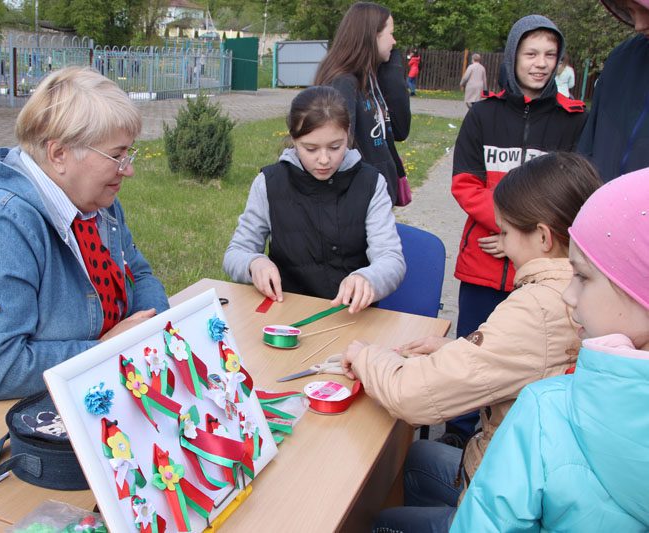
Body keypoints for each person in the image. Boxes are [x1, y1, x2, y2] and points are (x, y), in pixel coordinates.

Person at [0, 67, 169, 443]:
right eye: (117, 155)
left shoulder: (97, 204)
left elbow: (140, 274)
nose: (128, 169)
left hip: (53, 412)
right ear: (59, 154)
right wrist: (107, 351)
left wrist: (155, 331)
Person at [341, 152, 601, 532]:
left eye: (506, 233)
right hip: (524, 473)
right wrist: (454, 350)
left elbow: (414, 395)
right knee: (420, 456)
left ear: (543, 237)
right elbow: (527, 361)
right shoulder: (577, 289)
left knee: (378, 523)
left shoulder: (540, 306)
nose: (503, 245)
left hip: (512, 495)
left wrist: (366, 356)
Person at [452, 166, 649, 532]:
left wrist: (369, 358)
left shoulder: (545, 411)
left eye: (583, 276)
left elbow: (419, 392)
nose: (568, 294)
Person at [446, 15, 588, 446]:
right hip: (484, 263)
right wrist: (511, 234)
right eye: (531, 54)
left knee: (530, 359)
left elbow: (573, 191)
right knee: (472, 347)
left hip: (546, 266)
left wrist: (521, 242)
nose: (541, 63)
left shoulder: (574, 120)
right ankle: (455, 432)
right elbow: (464, 184)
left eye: (550, 54)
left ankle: (513, 440)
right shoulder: (482, 116)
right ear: (512, 57)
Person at [222, 85, 406, 313]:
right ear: (293, 139)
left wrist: (369, 278)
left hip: (350, 316)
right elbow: (235, 253)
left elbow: (391, 259)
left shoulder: (370, 183)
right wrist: (253, 263)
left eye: (335, 147)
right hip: (285, 313)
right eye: (310, 148)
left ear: (348, 134)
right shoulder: (269, 183)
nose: (324, 159)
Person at [314, 2, 411, 205]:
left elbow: (400, 130)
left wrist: (392, 67)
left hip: (376, 198)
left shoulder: (370, 79)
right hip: (358, 202)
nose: (394, 41)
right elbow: (339, 147)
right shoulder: (343, 82)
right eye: (390, 34)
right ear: (372, 35)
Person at [578, 0, 649, 182]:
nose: (639, 25)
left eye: (646, 10)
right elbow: (588, 146)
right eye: (631, 11)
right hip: (600, 204)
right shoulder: (621, 59)